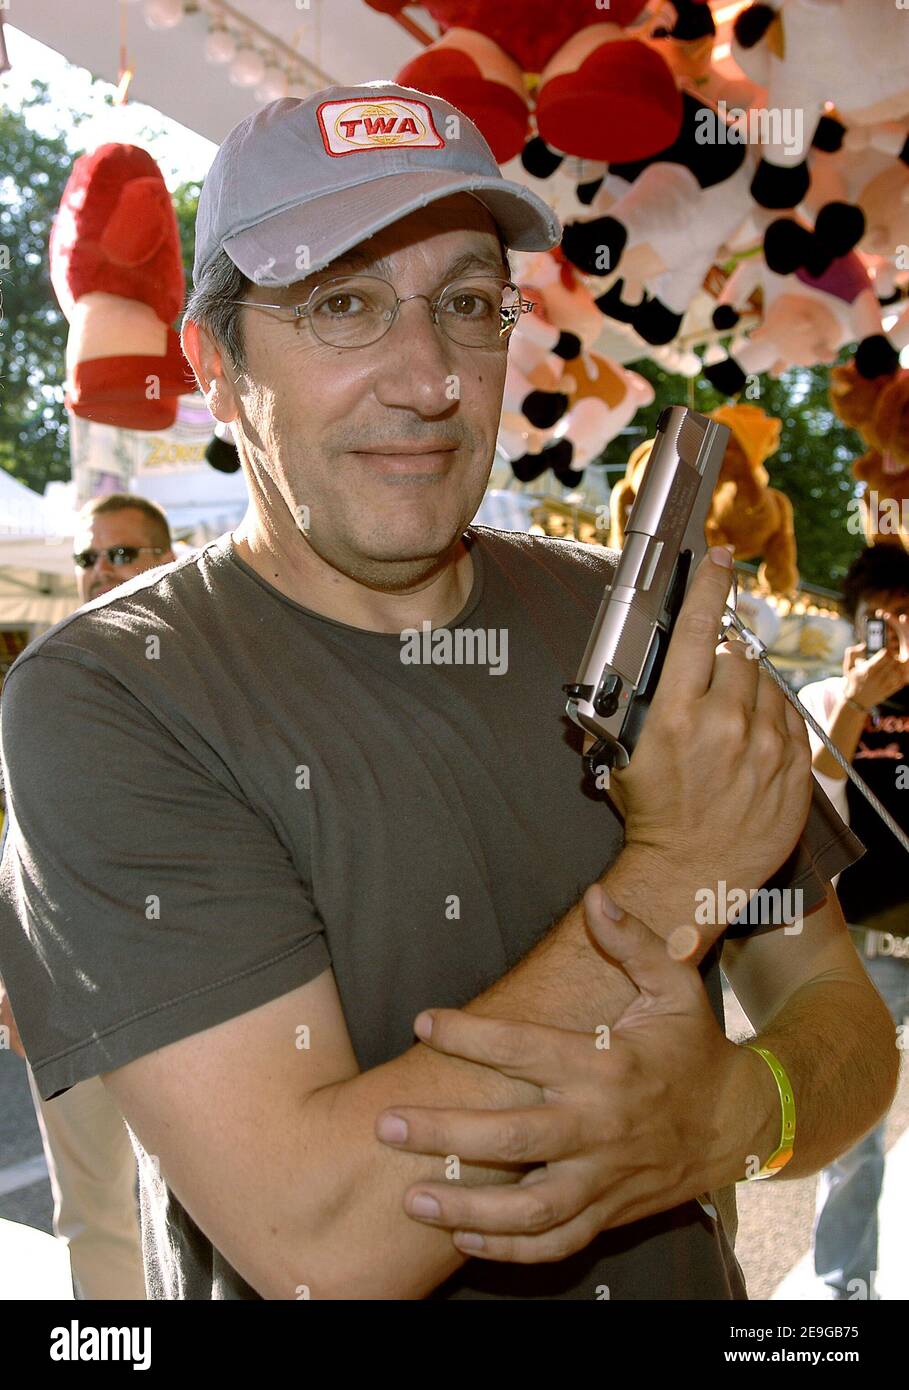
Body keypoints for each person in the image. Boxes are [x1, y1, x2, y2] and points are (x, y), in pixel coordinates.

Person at [0, 82, 897, 1301]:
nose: (426, 378)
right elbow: (323, 1242)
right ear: (213, 365)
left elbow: (835, 1008)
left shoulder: (635, 624)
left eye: (468, 305)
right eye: (343, 306)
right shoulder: (112, 695)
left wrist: (744, 1112)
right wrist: (679, 865)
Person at [0, 493, 174, 1300]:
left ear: (165, 560)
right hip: (62, 988)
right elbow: (20, 843)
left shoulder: (207, 675)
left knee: (210, 1200)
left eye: (123, 553)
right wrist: (14, 975)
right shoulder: (39, 678)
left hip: (183, 984)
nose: (100, 571)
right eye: (88, 557)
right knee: (93, 1210)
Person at [798, 544, 909, 1300]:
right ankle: (846, 1292)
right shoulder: (816, 696)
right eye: (881, 622)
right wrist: (857, 705)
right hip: (864, 941)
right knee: (852, 1132)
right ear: (854, 626)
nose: (894, 636)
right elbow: (811, 810)